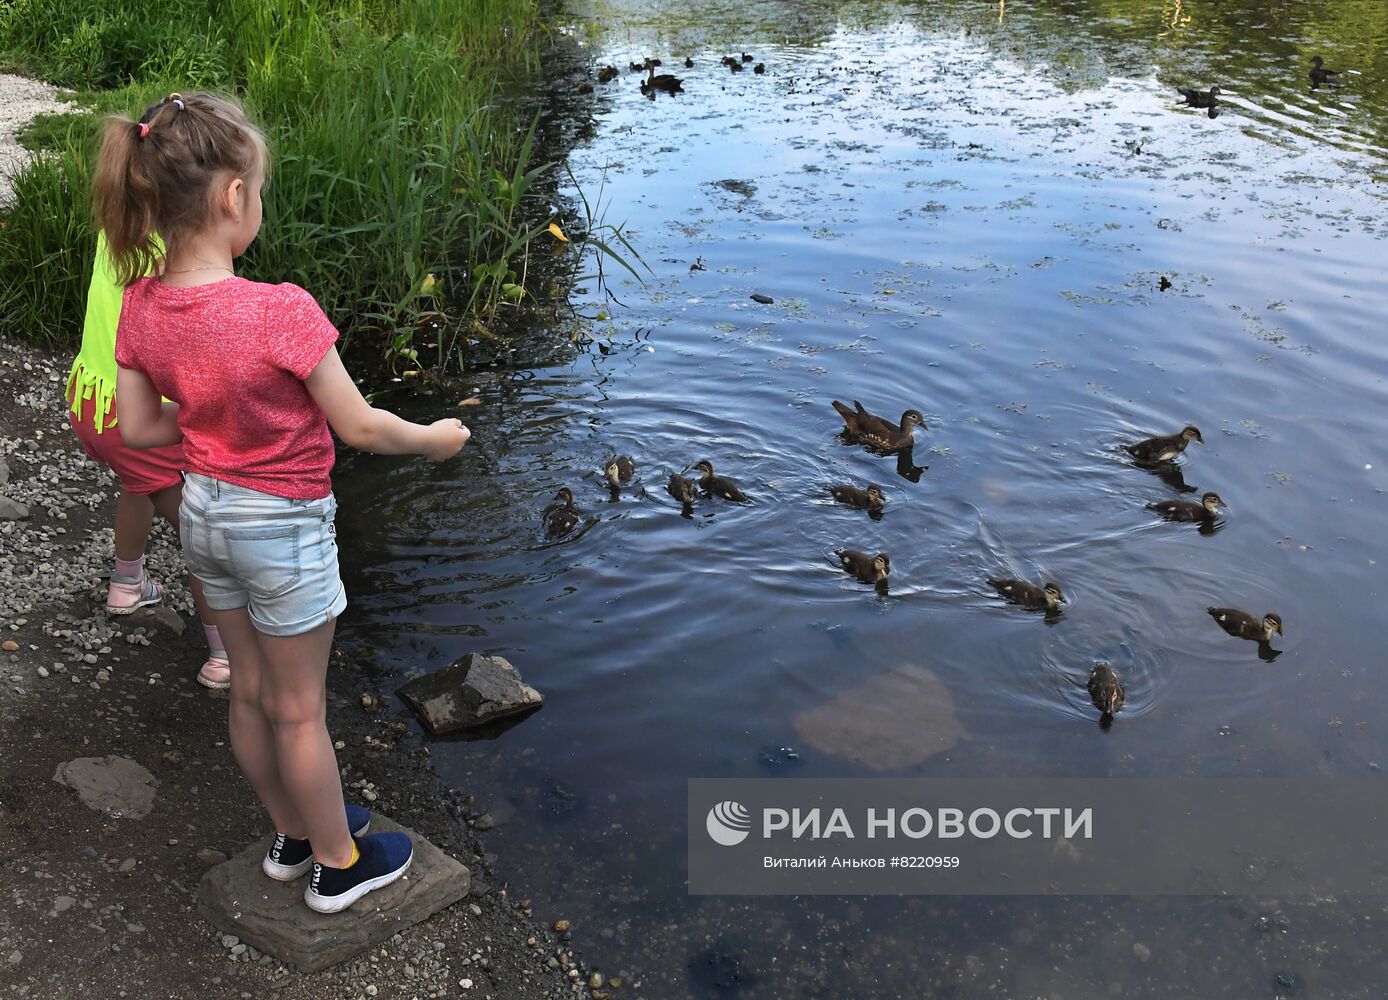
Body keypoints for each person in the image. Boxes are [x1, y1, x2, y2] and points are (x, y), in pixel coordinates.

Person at [93, 91, 470, 912]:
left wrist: (209, 417)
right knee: (300, 712)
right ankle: (338, 865)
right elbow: (362, 427)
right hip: (283, 529)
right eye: (256, 189)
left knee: (251, 694)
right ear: (234, 198)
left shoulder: (141, 306)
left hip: (202, 519)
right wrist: (438, 437)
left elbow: (141, 427)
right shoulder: (280, 311)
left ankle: (292, 833)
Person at [67, 232, 232, 689]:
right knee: (200, 531)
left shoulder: (114, 227)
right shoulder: (173, 254)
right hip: (137, 417)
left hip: (91, 399)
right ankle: (225, 653)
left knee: (139, 482)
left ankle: (127, 583)